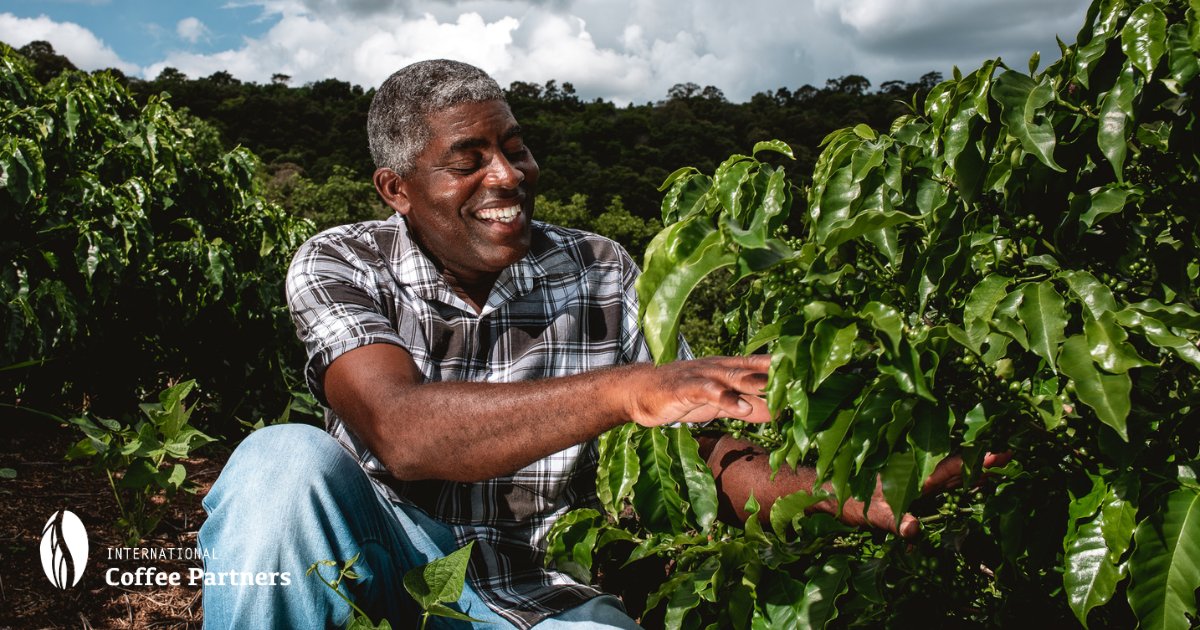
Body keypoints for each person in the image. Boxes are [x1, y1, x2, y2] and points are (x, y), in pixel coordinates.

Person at [197, 59, 988, 629]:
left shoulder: (599, 268)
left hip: (543, 596)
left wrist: (844, 492)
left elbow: (701, 457)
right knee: (281, 464)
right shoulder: (344, 260)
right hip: (384, 572)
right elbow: (400, 432)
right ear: (396, 190)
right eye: (467, 162)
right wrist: (624, 390)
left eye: (516, 149)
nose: (507, 176)